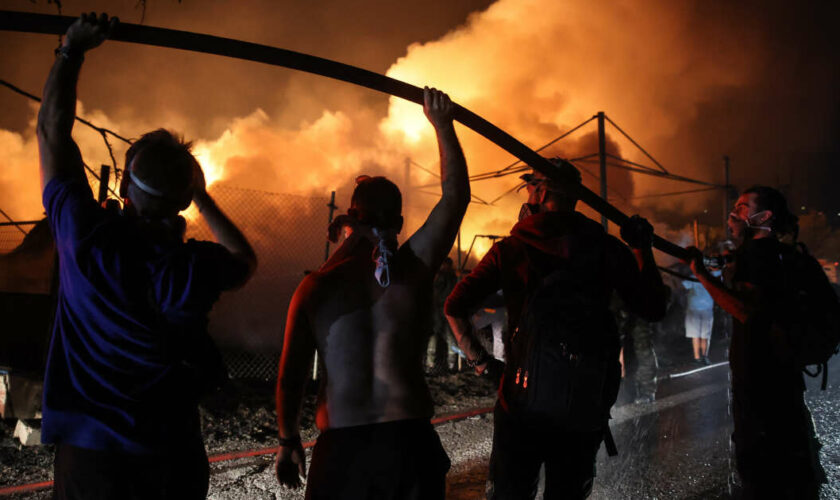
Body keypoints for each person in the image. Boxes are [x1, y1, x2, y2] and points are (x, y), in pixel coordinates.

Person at [37, 13, 257, 499]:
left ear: (123, 186)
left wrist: (72, 48)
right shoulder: (193, 268)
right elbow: (243, 258)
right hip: (169, 456)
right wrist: (203, 196)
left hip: (90, 458)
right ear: (182, 200)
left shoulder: (85, 237)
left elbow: (52, 132)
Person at [274, 87, 469, 499]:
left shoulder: (317, 286)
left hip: (344, 451)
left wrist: (289, 439)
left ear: (349, 215)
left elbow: (291, 376)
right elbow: (455, 197)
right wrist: (442, 124)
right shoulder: (413, 268)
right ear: (399, 221)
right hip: (408, 445)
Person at [445, 162, 666, 499]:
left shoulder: (512, 249)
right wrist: (641, 247)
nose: (528, 194)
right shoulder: (605, 248)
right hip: (583, 402)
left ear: (542, 191)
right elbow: (653, 307)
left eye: (530, 187)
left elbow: (454, 306)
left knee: (511, 493)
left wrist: (483, 363)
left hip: (520, 402)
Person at [685, 186, 827, 499]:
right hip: (785, 377)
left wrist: (702, 275)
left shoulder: (757, 257)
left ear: (764, 217)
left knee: (761, 472)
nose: (732, 214)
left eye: (742, 207)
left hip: (759, 382)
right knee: (792, 462)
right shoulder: (784, 255)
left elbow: (745, 310)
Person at [427, 256, 458, 373]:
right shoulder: (447, 276)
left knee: (443, 337)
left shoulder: (445, 276)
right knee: (438, 336)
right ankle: (448, 365)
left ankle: (434, 364)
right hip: (442, 310)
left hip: (443, 311)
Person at [682, 267, 717, 364]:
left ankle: (698, 358)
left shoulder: (693, 277)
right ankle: (704, 357)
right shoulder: (710, 276)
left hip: (695, 309)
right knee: (704, 335)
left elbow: (683, 286)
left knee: (696, 335)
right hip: (705, 309)